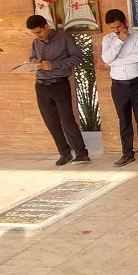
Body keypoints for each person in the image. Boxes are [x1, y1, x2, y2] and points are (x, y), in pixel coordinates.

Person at [26, 15, 89, 165]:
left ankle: (81, 153)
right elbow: (33, 57)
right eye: (34, 33)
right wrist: (33, 63)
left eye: (39, 32)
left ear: (47, 26)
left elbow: (77, 58)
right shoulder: (35, 43)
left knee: (67, 120)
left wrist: (53, 65)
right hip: (41, 84)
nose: (37, 36)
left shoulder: (64, 38)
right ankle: (64, 153)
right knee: (51, 121)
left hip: (59, 84)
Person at [101, 9, 138, 167]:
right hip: (118, 85)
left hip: (137, 83)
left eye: (119, 26)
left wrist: (113, 62)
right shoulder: (108, 39)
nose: (116, 30)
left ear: (126, 22)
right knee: (124, 120)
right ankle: (127, 153)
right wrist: (119, 41)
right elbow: (106, 58)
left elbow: (136, 57)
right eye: (113, 28)